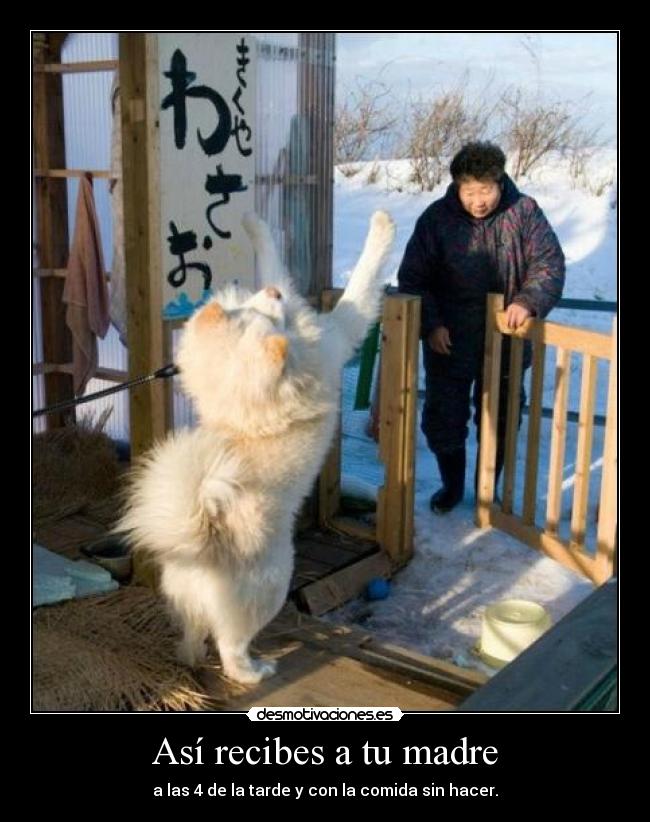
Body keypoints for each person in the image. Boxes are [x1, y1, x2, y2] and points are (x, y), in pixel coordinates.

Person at [397, 141, 565, 514]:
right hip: (450, 339)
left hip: (506, 337)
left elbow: (549, 265)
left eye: (485, 190)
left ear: (500, 182)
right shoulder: (436, 219)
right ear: (457, 186)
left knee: (501, 417)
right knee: (445, 418)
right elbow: (413, 278)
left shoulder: (524, 213)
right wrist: (431, 324)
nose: (478, 200)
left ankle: (488, 489)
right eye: (469, 191)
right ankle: (452, 486)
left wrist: (527, 301)